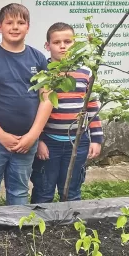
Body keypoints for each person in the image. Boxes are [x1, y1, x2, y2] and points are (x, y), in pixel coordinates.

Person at [0, 4, 53, 207]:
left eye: (20, 22)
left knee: (19, 188)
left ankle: (17, 234)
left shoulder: (38, 59)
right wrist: (0, 135)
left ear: (28, 27)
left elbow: (47, 99)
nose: (15, 27)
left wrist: (32, 136)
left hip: (27, 139)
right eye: (9, 22)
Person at [30, 23, 103, 203]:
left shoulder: (86, 72)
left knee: (71, 191)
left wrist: (96, 138)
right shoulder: (43, 74)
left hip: (77, 142)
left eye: (67, 41)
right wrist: (38, 140)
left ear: (75, 43)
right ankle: (38, 229)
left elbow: (92, 106)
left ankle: (70, 228)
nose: (62, 46)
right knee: (43, 191)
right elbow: (33, 110)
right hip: (49, 143)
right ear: (47, 46)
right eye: (56, 42)